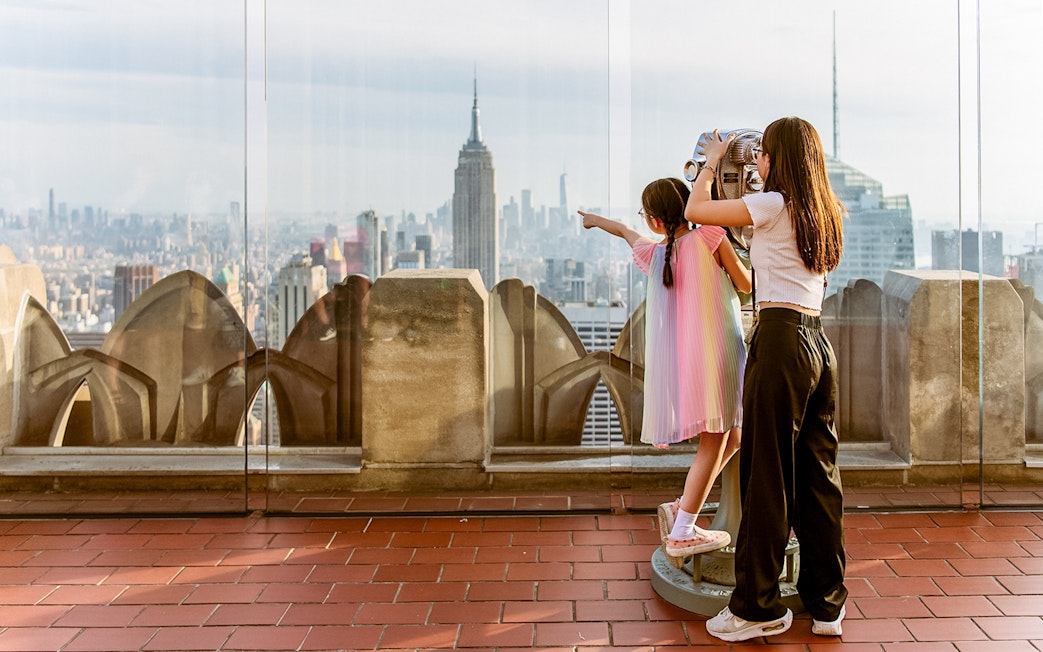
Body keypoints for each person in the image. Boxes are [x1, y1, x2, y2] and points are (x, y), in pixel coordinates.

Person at [685, 117, 848, 642]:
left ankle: (755, 609)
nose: (757, 163)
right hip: (818, 345)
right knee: (819, 477)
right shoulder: (825, 211)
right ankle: (828, 605)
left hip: (779, 340)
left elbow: (696, 211)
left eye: (763, 154)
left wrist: (711, 161)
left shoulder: (773, 205)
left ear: (779, 158)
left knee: (766, 477)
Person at [580, 177, 751, 564]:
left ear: (656, 221)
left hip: (690, 364)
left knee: (736, 435)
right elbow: (745, 285)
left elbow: (625, 232)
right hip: (719, 354)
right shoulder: (710, 236)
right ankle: (683, 531)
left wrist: (593, 220)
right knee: (716, 438)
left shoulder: (657, 255)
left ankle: (682, 507)